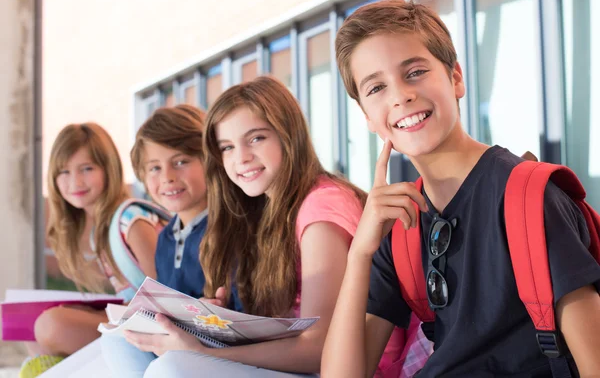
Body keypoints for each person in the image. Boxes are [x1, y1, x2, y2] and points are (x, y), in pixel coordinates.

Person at [321, 0, 600, 377]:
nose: (401, 95)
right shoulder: (401, 222)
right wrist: (360, 254)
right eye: (376, 88)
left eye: (415, 72)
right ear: (368, 117)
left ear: (455, 78)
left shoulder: (529, 197)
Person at [124, 77, 427, 377]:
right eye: (227, 147)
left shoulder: (322, 205)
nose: (241, 158)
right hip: (304, 363)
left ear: (288, 135)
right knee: (126, 346)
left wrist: (205, 352)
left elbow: (319, 349)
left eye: (256, 138)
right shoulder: (271, 210)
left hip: (359, 369)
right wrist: (212, 322)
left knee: (173, 368)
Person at [101, 104, 243, 377]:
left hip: (220, 352)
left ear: (209, 161)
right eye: (154, 168)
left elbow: (245, 310)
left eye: (180, 162)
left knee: (167, 368)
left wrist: (217, 311)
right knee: (115, 339)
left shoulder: (229, 227)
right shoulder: (165, 237)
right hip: (178, 341)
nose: (167, 177)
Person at [21, 123, 163, 377]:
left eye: (86, 169)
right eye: (63, 172)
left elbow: (164, 295)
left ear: (108, 169)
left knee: (50, 325)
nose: (75, 181)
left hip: (156, 327)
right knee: (32, 331)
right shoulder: (103, 231)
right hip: (134, 319)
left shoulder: (131, 221)